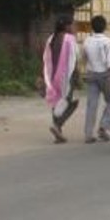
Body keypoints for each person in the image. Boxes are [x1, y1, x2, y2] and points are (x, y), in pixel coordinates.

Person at [42, 14, 79, 143]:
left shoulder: (51, 38)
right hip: (65, 76)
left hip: (52, 76)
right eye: (73, 24)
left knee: (57, 103)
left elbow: (46, 58)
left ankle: (58, 134)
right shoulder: (70, 39)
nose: (74, 27)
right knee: (72, 103)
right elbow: (73, 59)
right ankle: (57, 125)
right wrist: (77, 76)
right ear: (66, 26)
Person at [82, 15, 110, 143]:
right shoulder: (109, 42)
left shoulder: (87, 41)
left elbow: (84, 57)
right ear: (105, 27)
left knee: (92, 104)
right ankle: (104, 126)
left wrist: (84, 71)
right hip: (105, 75)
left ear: (92, 27)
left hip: (91, 74)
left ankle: (88, 134)